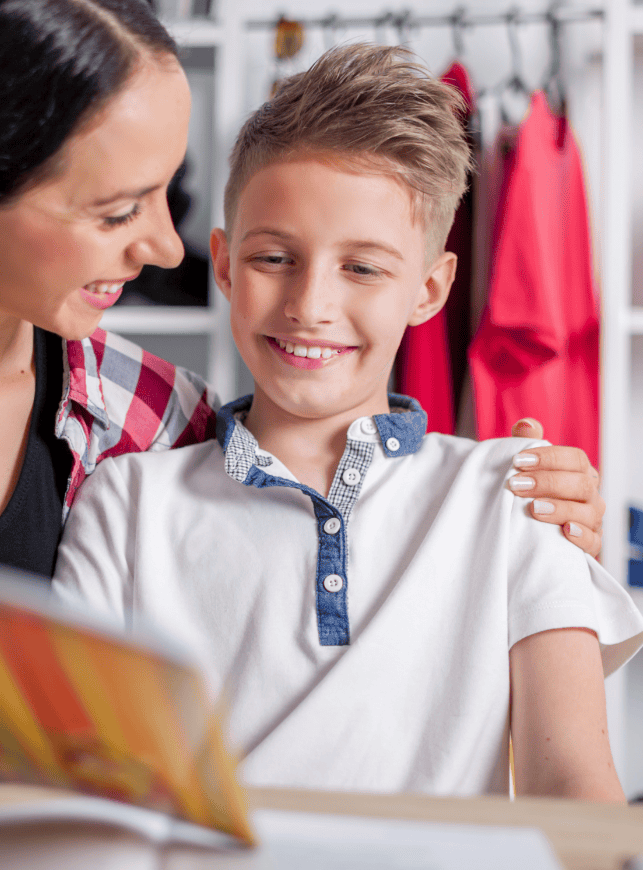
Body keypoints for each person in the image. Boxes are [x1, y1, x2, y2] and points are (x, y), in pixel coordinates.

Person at [0, 2, 604, 759]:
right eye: (117, 211)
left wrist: (548, 518)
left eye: (166, 189)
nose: (165, 246)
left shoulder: (148, 421)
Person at [53, 43, 642, 801]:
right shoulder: (126, 503)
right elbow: (84, 773)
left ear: (429, 290)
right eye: (275, 259)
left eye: (362, 268)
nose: (311, 305)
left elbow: (574, 784)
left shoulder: (518, 493)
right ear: (226, 267)